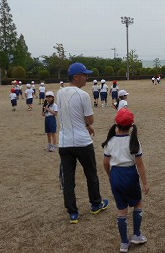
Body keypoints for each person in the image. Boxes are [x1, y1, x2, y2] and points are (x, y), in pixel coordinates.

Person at [57, 63, 109, 224]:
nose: (87, 77)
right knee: (91, 174)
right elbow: (89, 119)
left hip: (64, 142)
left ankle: (73, 212)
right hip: (82, 142)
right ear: (76, 76)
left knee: (68, 179)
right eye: (85, 74)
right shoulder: (83, 95)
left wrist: (85, 124)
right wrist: (87, 124)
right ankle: (95, 203)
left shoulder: (59, 93)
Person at [102, 108, 149, 252]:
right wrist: (145, 183)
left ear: (116, 124)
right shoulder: (134, 142)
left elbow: (105, 162)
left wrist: (110, 175)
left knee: (122, 210)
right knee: (138, 203)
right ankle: (136, 234)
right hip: (129, 175)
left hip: (115, 175)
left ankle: (124, 243)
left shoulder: (110, 142)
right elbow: (140, 164)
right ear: (131, 126)